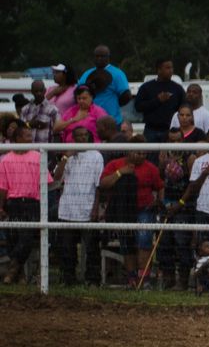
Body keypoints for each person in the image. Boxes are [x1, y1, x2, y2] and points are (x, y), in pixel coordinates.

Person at [99, 140, 164, 288]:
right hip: (123, 209)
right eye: (137, 152)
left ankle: (144, 278)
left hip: (145, 209)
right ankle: (132, 278)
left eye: (143, 153)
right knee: (126, 241)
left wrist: (159, 203)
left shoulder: (151, 168)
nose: (141, 156)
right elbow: (103, 184)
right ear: (129, 151)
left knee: (144, 238)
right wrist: (120, 173)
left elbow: (160, 186)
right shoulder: (115, 164)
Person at [53, 124, 104, 285]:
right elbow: (56, 179)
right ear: (73, 138)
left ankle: (93, 279)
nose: (82, 138)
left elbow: (98, 185)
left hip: (87, 208)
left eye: (85, 135)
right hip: (67, 209)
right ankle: (68, 279)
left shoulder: (96, 156)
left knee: (91, 248)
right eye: (79, 136)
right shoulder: (67, 157)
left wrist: (95, 208)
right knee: (67, 248)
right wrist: (65, 157)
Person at [0, 122, 43, 283]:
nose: (30, 139)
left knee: (26, 237)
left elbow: (44, 182)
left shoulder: (38, 156)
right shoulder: (6, 159)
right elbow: (2, 186)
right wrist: (1, 206)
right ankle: (19, 274)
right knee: (13, 237)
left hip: (32, 202)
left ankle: (12, 270)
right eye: (27, 136)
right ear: (17, 138)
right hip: (13, 202)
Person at [133, 58, 186, 143]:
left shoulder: (177, 88)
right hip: (150, 130)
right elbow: (138, 107)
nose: (171, 70)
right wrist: (157, 101)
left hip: (169, 131)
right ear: (159, 70)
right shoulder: (146, 87)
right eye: (167, 68)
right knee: (149, 155)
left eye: (172, 68)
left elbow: (184, 107)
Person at [77, 45, 132, 124]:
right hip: (89, 121)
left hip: (111, 122)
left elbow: (126, 96)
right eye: (97, 56)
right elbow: (78, 92)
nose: (99, 58)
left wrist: (114, 104)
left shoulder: (117, 74)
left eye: (102, 56)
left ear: (108, 57)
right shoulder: (87, 74)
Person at [19, 80, 56, 144]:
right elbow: (19, 130)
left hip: (45, 150)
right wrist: (29, 125)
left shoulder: (53, 109)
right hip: (28, 150)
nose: (39, 93)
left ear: (45, 91)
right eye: (36, 91)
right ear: (32, 92)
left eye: (41, 91)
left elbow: (58, 133)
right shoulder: (25, 109)